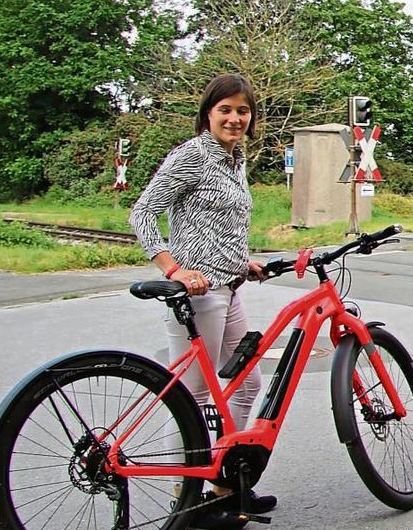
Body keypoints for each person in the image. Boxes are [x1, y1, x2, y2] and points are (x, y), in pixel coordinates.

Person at [130, 74, 276, 530]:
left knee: (245, 385)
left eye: (242, 111)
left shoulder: (236, 160)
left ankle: (226, 485)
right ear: (208, 113)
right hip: (197, 293)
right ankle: (187, 495)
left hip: (228, 287)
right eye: (225, 110)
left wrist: (242, 260)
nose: (235, 118)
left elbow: (217, 222)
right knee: (191, 395)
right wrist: (173, 269)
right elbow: (142, 211)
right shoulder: (192, 156)